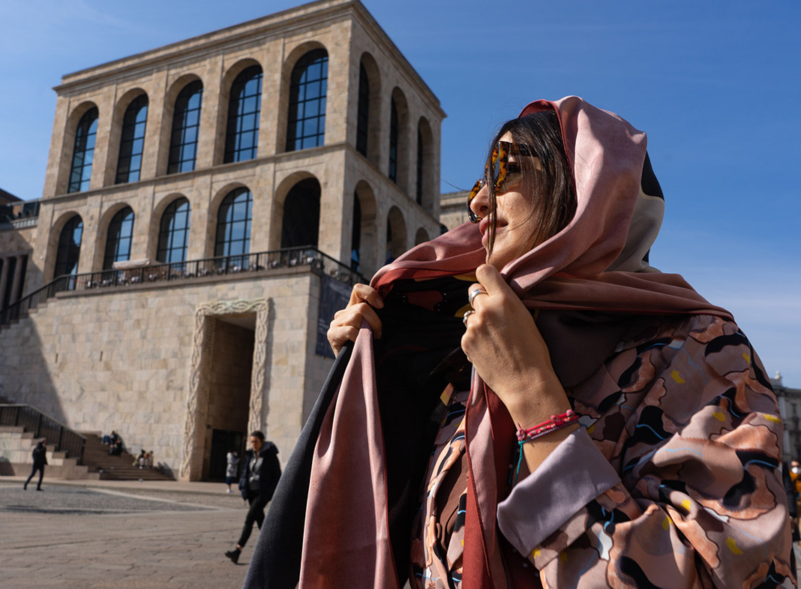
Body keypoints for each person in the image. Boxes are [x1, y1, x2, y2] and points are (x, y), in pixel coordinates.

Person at [244, 97, 792, 588]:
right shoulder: (466, 354)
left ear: (586, 185)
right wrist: (373, 376)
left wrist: (536, 403)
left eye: (503, 169)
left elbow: (732, 577)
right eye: (479, 181)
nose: (478, 203)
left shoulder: (701, 351)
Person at [225, 431, 281, 564]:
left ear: (262, 441)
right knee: (261, 522)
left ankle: (238, 550)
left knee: (249, 519)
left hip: (262, 493)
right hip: (250, 492)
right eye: (251, 441)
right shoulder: (250, 454)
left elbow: (277, 475)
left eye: (255, 441)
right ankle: (273, 550)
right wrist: (243, 485)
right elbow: (246, 471)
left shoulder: (269, 456)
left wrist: (271, 491)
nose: (253, 444)